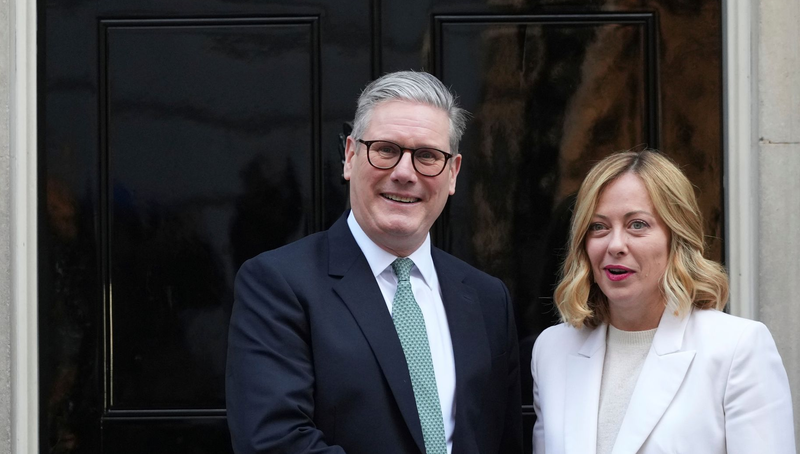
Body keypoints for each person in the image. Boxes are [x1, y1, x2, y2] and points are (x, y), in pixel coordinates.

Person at [227, 71, 522, 454]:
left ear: (453, 174)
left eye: (427, 156)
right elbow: (274, 442)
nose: (404, 173)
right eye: (385, 149)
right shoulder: (277, 284)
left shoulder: (487, 299)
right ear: (350, 156)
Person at [531, 150, 795, 454]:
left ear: (676, 236)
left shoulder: (738, 348)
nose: (615, 245)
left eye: (637, 225)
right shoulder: (552, 350)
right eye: (598, 226)